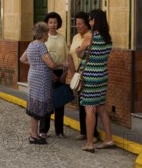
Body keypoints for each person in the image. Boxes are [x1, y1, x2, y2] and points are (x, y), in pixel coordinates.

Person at [20, 22, 67, 145]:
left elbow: (22, 59)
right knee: (37, 108)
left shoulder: (31, 45)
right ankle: (34, 136)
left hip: (33, 76)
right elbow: (51, 64)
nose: (47, 36)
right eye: (46, 33)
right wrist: (62, 63)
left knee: (34, 106)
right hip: (41, 80)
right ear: (43, 34)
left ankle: (33, 134)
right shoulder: (41, 46)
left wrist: (36, 64)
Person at [76, 9, 114, 152]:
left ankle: (90, 143)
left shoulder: (89, 36)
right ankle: (109, 138)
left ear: (94, 21)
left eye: (91, 19)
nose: (89, 22)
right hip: (103, 75)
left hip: (90, 77)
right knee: (102, 108)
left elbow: (79, 54)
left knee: (90, 109)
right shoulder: (107, 37)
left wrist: (78, 51)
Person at [68, 12, 99, 141]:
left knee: (90, 104)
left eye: (80, 23)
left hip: (88, 73)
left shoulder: (89, 37)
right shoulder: (75, 37)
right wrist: (73, 72)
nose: (77, 26)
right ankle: (83, 131)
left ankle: (93, 133)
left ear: (87, 24)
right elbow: (70, 54)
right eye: (76, 23)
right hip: (77, 73)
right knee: (81, 103)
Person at [39, 12, 69, 138]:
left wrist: (64, 74)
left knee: (60, 102)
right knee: (46, 102)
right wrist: (50, 73)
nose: (52, 25)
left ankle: (59, 130)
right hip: (47, 72)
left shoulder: (62, 37)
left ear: (58, 24)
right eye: (50, 22)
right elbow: (42, 57)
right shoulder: (44, 38)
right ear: (47, 23)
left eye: (55, 22)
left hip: (60, 72)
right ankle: (44, 130)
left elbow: (67, 57)